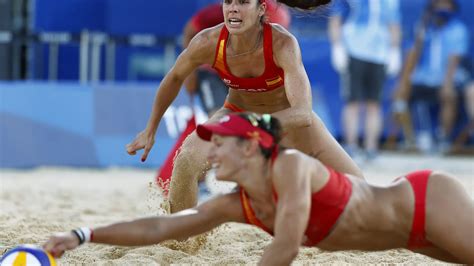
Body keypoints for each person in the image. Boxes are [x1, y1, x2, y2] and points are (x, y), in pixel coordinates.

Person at [45, 113, 474, 264]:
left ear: (250, 148)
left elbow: (285, 248)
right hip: (412, 237)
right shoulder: (240, 204)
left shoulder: (289, 167)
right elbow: (161, 229)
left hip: (427, 201)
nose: (209, 152)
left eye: (220, 143)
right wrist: (84, 235)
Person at [126, 0, 363, 213]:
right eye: (228, 1)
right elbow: (174, 77)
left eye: (242, 2)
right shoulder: (208, 41)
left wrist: (252, 126)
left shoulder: (283, 43)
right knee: (187, 159)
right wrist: (151, 128)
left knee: (360, 191)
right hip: (236, 114)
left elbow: (302, 113)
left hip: (288, 123)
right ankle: (179, 240)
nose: (233, 8)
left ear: (261, 9)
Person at [157, 0, 291, 195]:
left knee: (245, 129)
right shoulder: (235, 8)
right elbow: (190, 28)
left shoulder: (282, 16)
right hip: (212, 72)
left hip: (244, 76)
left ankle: (244, 180)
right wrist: (191, 72)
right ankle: (201, 181)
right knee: (221, 126)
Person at [329, 0, 402, 160]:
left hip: (379, 55)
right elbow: (335, 20)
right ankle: (351, 146)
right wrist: (337, 46)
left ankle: (371, 148)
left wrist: (395, 50)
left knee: (374, 104)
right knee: (352, 102)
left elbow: (394, 24)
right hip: (354, 51)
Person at [393, 0, 469, 152]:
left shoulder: (458, 29)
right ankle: (411, 139)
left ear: (453, 8)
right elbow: (412, 55)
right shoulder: (424, 28)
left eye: (446, 4)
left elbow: (454, 59)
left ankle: (443, 138)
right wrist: (402, 83)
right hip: (424, 77)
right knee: (398, 96)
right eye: (439, 4)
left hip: (449, 77)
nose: (442, 8)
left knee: (449, 95)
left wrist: (447, 84)